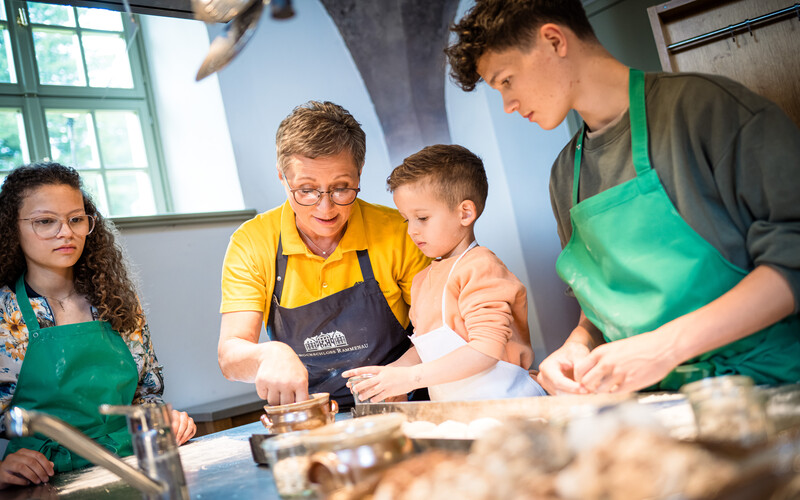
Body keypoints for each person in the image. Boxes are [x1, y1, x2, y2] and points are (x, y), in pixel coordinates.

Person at [445, 0, 800, 395]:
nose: (508, 106)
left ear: (553, 41)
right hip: (658, 400)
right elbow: (600, 308)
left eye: (506, 80)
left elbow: (792, 262)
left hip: (773, 387)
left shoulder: (709, 110)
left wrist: (665, 348)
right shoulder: (565, 174)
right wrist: (579, 344)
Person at [218, 101, 430, 408]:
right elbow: (230, 357)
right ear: (282, 177)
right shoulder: (252, 242)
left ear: (360, 174)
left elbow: (440, 328)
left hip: (402, 405)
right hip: (313, 416)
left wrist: (401, 374)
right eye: (306, 190)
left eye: (341, 188)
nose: (325, 208)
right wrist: (269, 354)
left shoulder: (397, 231)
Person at [0, 162, 196, 489]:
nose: (66, 232)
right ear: (10, 228)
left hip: (131, 466)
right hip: (43, 480)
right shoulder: (5, 315)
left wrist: (166, 422)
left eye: (76, 219)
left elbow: (145, 395)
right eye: (45, 221)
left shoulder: (116, 301)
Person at [343, 144, 546, 402]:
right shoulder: (421, 280)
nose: (411, 231)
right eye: (407, 219)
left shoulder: (480, 267)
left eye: (423, 218)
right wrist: (391, 375)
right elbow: (424, 348)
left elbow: (486, 350)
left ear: (465, 213)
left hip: (510, 405)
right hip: (459, 411)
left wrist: (411, 378)